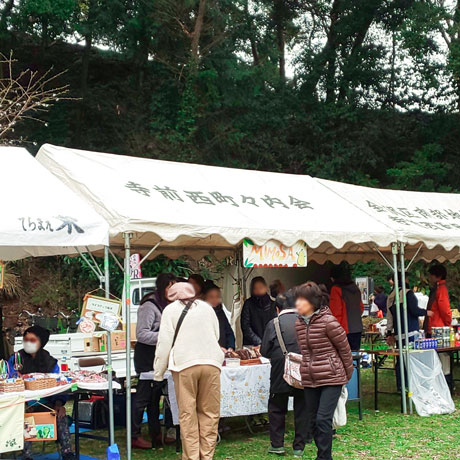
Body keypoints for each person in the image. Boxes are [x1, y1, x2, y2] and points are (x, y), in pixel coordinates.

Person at [154, 282, 224, 460]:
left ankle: (191, 457)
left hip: (184, 365)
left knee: (188, 414)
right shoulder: (207, 308)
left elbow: (164, 345)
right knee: (210, 413)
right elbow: (216, 335)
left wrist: (158, 373)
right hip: (211, 363)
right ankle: (207, 456)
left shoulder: (170, 311)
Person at [294, 282, 353, 460]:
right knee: (312, 421)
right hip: (310, 377)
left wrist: (345, 376)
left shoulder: (329, 322)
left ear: (312, 302)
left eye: (301, 300)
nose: (297, 304)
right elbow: (305, 351)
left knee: (323, 419)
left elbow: (345, 349)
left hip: (332, 377)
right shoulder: (299, 324)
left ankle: (324, 457)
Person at [8, 326, 75, 460]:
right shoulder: (16, 359)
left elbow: (57, 384)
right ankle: (27, 455)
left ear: (41, 342)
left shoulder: (50, 361)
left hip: (46, 404)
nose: (28, 342)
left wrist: (58, 403)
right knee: (26, 418)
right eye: (26, 339)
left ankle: (68, 453)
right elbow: (10, 380)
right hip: (21, 405)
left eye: (32, 340)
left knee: (60, 415)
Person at [261, 290, 311, 457]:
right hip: (303, 370)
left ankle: (277, 445)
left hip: (280, 370)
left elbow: (264, 350)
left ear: (277, 309)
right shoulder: (307, 322)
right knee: (302, 407)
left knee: (276, 407)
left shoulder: (274, 324)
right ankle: (299, 447)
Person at [132, 272, 176, 449]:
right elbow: (141, 334)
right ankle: (134, 436)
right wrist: (166, 336)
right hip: (146, 357)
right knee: (143, 397)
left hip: (160, 356)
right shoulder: (149, 305)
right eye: (170, 287)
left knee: (155, 396)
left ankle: (156, 433)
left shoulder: (169, 304)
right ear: (163, 287)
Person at [385, 274, 431, 391]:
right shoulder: (408, 293)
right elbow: (414, 310)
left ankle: (401, 384)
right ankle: (411, 384)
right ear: (405, 279)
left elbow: (389, 316)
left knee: (401, 358)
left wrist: (389, 333)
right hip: (410, 330)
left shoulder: (391, 296)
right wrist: (427, 312)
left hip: (399, 332)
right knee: (412, 358)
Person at [329, 266, 364, 351]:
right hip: (357, 328)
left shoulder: (336, 289)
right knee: (355, 355)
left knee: (344, 357)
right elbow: (361, 308)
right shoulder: (356, 289)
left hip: (343, 329)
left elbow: (335, 312)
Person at [241, 276, 276, 347]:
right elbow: (246, 326)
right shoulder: (248, 304)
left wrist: (269, 342)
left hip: (270, 344)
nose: (258, 290)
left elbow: (276, 325)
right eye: (255, 288)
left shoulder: (273, 304)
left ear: (266, 288)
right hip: (252, 345)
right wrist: (259, 342)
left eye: (261, 287)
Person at [203, 283, 235, 351]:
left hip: (224, 351)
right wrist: (218, 348)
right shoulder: (201, 314)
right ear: (204, 297)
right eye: (211, 297)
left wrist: (230, 347)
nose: (215, 299)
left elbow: (228, 331)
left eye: (217, 296)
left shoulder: (220, 312)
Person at [426, 264, 452, 334]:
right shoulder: (437, 288)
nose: (430, 277)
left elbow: (444, 309)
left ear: (438, 276)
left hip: (437, 327)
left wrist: (448, 323)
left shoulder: (440, 289)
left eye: (432, 275)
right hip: (436, 326)